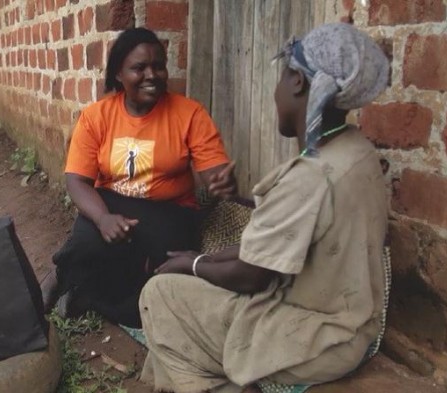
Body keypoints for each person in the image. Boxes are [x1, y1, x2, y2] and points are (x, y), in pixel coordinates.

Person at [138, 23, 390, 393]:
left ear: (298, 83)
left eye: (281, 76)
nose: (275, 92)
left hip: (315, 339)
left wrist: (191, 264)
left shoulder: (310, 178)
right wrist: (209, 257)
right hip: (354, 325)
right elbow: (282, 248)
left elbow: (251, 277)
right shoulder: (358, 151)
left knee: (159, 294)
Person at [40, 27, 237, 328]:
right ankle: (61, 275)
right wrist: (104, 219)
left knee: (156, 293)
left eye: (158, 66)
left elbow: (213, 170)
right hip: (111, 206)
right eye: (139, 67)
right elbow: (77, 181)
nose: (151, 75)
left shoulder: (189, 114)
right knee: (88, 240)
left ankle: (89, 294)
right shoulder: (97, 116)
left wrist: (220, 181)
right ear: (119, 73)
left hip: (169, 213)